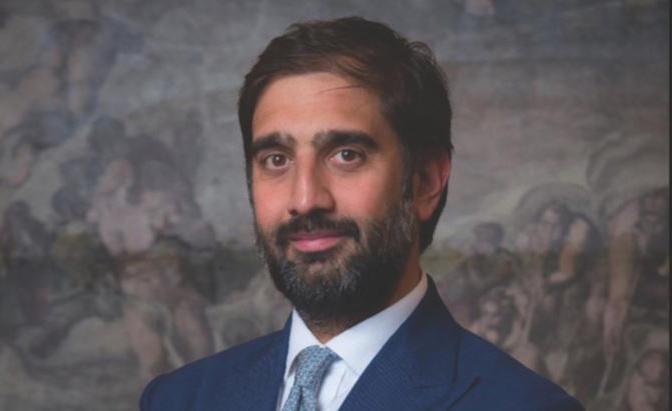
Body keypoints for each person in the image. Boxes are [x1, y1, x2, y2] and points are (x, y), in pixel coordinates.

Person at [140, 17, 583, 410]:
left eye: (346, 154)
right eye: (276, 159)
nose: (305, 199)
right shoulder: (179, 400)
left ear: (425, 181)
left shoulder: (523, 406)